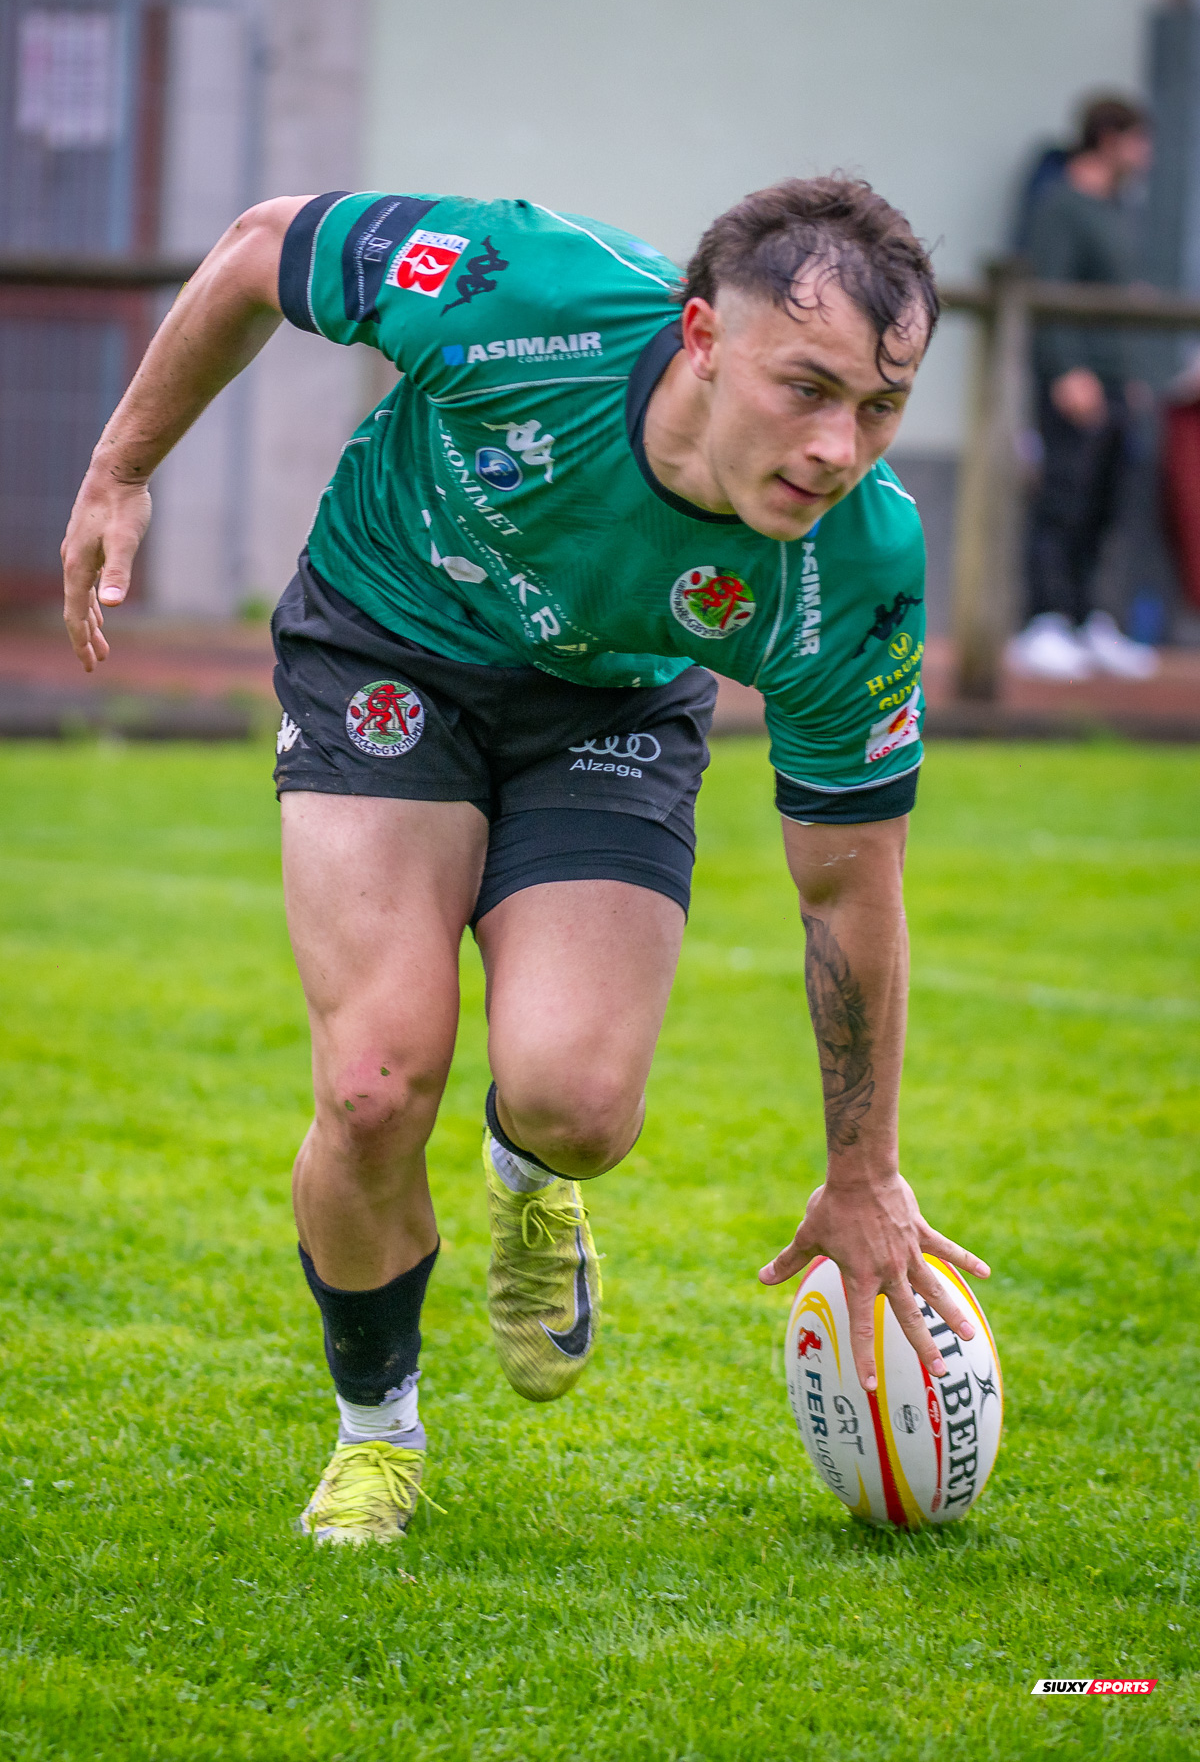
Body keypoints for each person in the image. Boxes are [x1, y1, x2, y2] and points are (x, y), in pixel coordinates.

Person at [61, 177, 989, 1544]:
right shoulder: (518, 296)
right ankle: (378, 1430)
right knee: (376, 1082)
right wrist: (122, 469)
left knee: (578, 1103)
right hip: (388, 641)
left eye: (882, 407)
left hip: (609, 709)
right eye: (809, 388)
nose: (839, 446)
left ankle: (528, 1176)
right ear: (701, 339)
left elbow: (850, 885)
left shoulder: (859, 568)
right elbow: (265, 245)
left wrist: (865, 1171)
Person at [1010, 95, 1160, 681]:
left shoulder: (1121, 208)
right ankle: (1044, 619)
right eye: (1137, 140)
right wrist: (1068, 368)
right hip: (1075, 382)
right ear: (1108, 137)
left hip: (1119, 383)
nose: (1145, 154)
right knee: (1063, 500)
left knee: (1109, 503)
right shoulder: (1061, 204)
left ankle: (1088, 617)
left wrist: (1135, 375)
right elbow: (1048, 289)